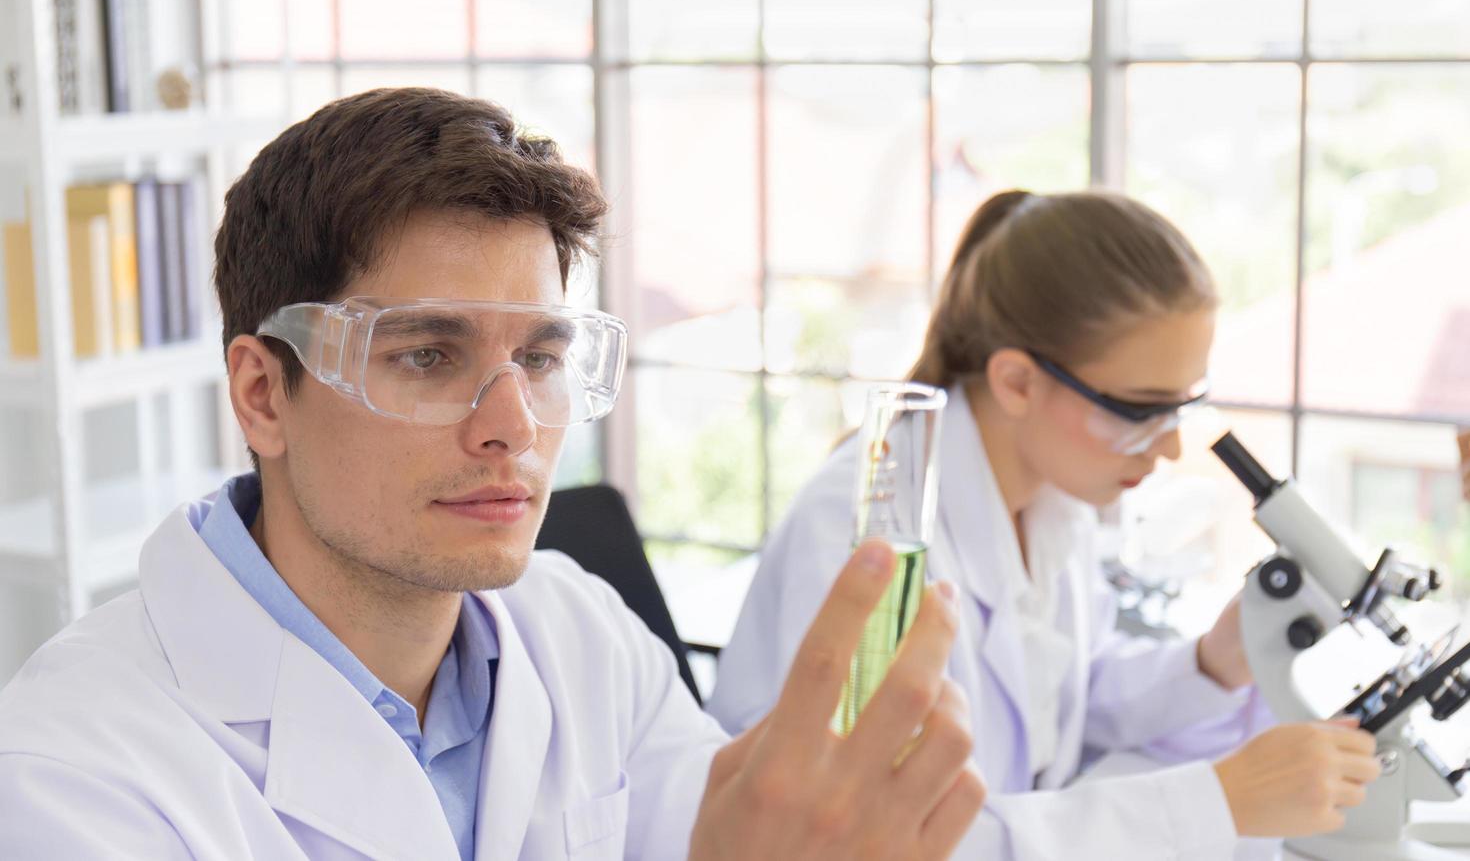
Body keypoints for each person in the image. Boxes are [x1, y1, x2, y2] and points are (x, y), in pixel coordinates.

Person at [0, 88, 985, 860]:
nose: (513, 424)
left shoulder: (582, 634)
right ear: (263, 394)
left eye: (545, 359)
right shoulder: (70, 774)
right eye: (430, 355)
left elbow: (718, 826)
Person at [707, 190, 1382, 860]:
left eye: (1181, 408)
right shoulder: (870, 531)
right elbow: (881, 834)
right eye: (1142, 408)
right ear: (1018, 383)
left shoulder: (1052, 496)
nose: (1171, 447)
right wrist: (1218, 802)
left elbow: (1065, 706)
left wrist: (1215, 660)